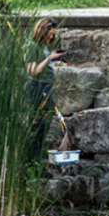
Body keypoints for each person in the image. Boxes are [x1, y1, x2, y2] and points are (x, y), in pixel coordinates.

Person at [24, 18, 65, 164]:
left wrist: (54, 60)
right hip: (38, 88)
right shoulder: (32, 46)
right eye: (50, 33)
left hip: (46, 87)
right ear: (43, 30)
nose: (52, 36)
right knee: (38, 127)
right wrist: (49, 58)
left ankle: (36, 162)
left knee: (44, 127)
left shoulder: (42, 46)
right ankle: (32, 163)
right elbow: (32, 71)